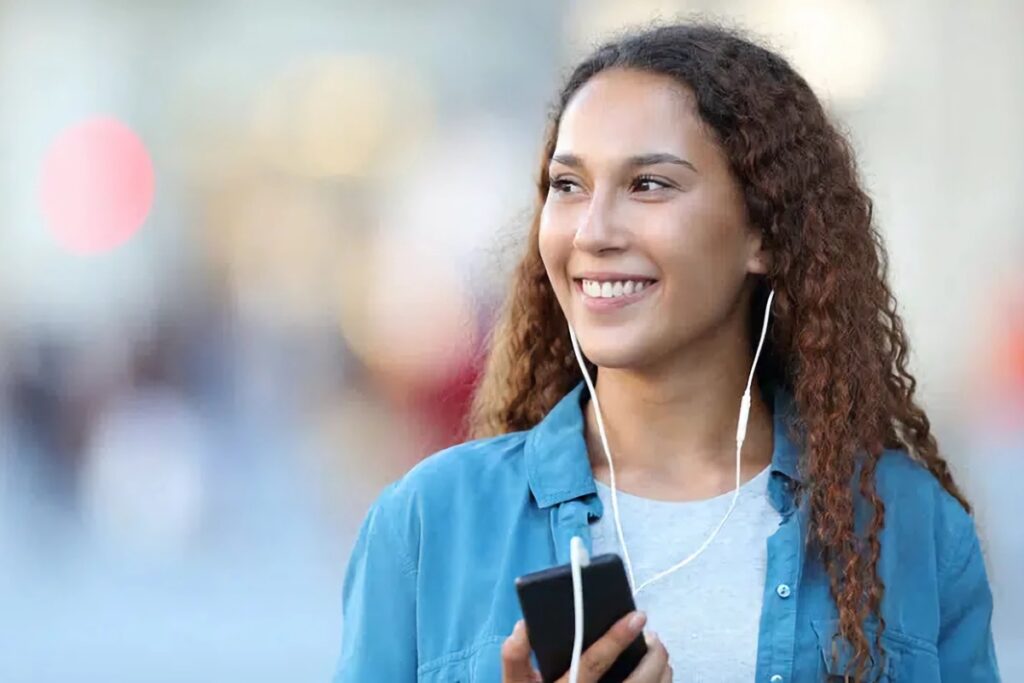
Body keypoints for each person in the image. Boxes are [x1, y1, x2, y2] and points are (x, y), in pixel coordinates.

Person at [334, 23, 1000, 682]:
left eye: (649, 184)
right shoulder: (430, 522)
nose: (592, 231)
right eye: (568, 186)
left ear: (763, 232)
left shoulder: (914, 530)